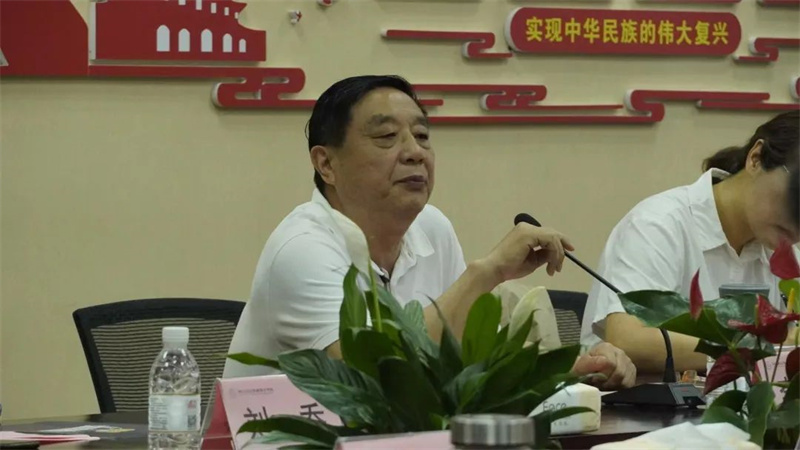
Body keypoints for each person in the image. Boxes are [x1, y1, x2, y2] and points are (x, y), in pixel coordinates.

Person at [224, 75, 636, 389]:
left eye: (422, 136)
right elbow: (376, 380)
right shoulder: (302, 249)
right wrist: (486, 272)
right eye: (387, 137)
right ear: (326, 164)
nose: (414, 152)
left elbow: (467, 365)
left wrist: (569, 369)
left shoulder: (431, 228)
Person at [581, 110, 800, 375]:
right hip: (636, 400)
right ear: (756, 158)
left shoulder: (784, 251)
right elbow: (629, 339)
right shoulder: (658, 224)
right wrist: (764, 349)